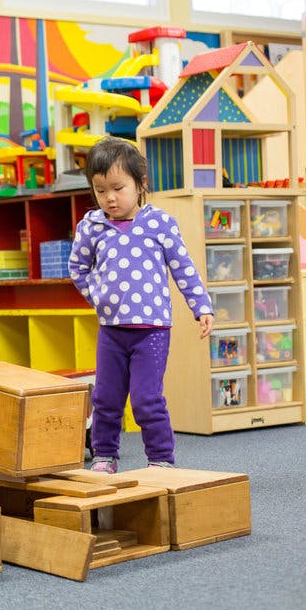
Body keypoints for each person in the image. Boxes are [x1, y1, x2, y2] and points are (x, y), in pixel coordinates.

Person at [68, 136, 214, 474]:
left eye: (118, 188)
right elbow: (77, 268)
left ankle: (161, 460)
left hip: (152, 331)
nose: (110, 198)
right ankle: (105, 455)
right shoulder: (91, 226)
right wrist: (98, 297)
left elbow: (183, 267)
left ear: (140, 184)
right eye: (100, 190)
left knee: (147, 400)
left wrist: (201, 307)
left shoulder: (159, 223)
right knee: (105, 399)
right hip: (112, 330)